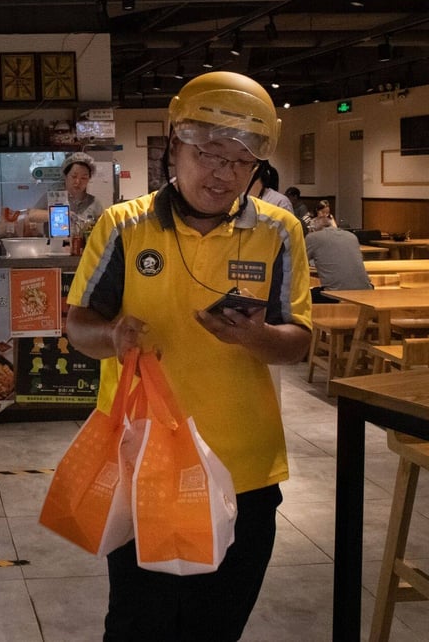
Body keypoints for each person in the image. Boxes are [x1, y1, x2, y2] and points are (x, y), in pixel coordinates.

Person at [64, 71, 312, 641]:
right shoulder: (123, 227)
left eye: (240, 161)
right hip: (142, 466)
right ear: (175, 146)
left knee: (216, 626)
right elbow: (78, 326)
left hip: (244, 468)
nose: (222, 173)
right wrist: (114, 338)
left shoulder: (279, 232)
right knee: (138, 625)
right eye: (209, 153)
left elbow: (298, 342)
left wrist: (252, 336)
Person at [29, 152, 104, 234]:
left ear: (89, 179)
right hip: (57, 245)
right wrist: (59, 214)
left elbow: (103, 228)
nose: (78, 182)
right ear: (65, 176)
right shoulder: (54, 196)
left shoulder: (94, 202)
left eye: (84, 178)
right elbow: (32, 215)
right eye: (74, 176)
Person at [306, 215, 372, 303]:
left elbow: (298, 261)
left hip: (335, 295)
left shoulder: (313, 237)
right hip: (366, 291)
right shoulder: (351, 236)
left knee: (304, 296)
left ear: (313, 230)